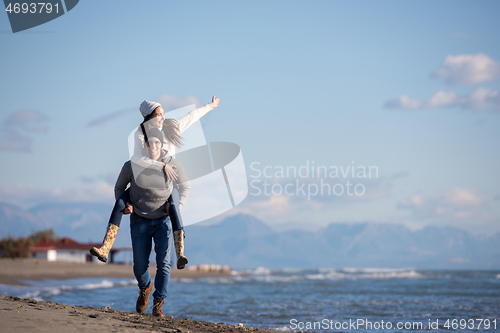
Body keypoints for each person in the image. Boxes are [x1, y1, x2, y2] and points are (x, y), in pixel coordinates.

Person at [90, 96, 220, 268]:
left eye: (163, 113)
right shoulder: (140, 134)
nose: (162, 118)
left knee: (174, 205)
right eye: (158, 114)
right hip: (143, 183)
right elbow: (137, 159)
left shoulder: (170, 128)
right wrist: (161, 165)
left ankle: (181, 253)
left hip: (166, 183)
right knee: (120, 201)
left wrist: (210, 106)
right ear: (149, 117)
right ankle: (105, 248)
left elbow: (191, 116)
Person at [114, 127, 190, 316]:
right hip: (139, 220)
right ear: (145, 144)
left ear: (162, 144)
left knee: (164, 263)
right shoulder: (132, 165)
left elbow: (185, 186)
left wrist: (176, 208)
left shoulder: (173, 164)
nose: (153, 146)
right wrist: (126, 207)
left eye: (157, 142)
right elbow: (119, 187)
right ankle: (145, 287)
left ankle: (158, 303)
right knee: (140, 266)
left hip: (163, 221)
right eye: (150, 142)